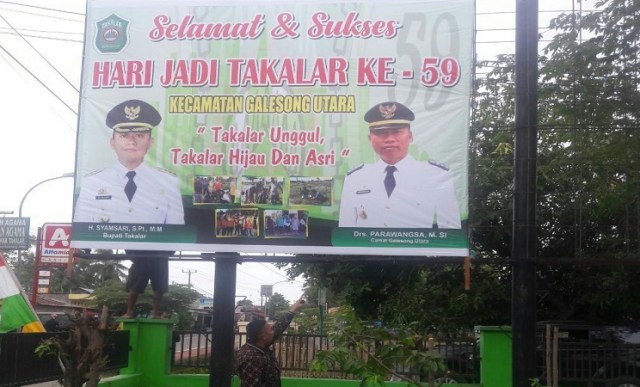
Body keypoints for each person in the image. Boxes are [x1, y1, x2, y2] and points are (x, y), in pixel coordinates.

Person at [338, 101, 462, 228]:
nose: (389, 139)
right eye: (381, 133)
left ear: (410, 136)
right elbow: (345, 229)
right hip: (368, 247)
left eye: (397, 132)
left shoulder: (436, 175)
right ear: (370, 139)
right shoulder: (355, 177)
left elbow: (450, 231)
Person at [73, 99, 184, 225]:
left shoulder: (169, 183)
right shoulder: (92, 183)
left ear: (150, 142)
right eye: (124, 135)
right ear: (112, 142)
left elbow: (176, 234)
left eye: (139, 135)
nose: (131, 141)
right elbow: (81, 230)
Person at [235, 298, 306, 387]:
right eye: (271, 329)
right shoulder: (252, 358)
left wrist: (295, 307)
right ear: (264, 337)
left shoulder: (259, 345)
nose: (274, 329)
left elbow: (279, 327)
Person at [122, 249, 174, 318]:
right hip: (141, 258)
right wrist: (134, 257)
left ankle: (155, 312)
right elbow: (128, 244)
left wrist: (164, 254)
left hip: (159, 258)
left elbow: (172, 245)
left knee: (159, 288)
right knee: (135, 287)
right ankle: (129, 312)